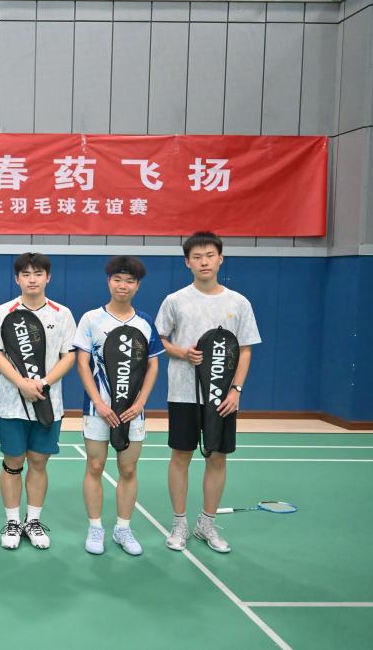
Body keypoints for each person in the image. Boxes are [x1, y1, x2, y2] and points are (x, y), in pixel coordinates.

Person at [155, 232, 260, 554]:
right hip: (184, 393)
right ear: (187, 262)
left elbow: (245, 349)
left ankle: (207, 524)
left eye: (210, 255)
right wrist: (181, 352)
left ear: (220, 259)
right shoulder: (175, 300)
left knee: (217, 457)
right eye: (197, 257)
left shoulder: (238, 302)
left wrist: (236, 390)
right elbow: (160, 340)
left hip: (222, 397)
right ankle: (179, 523)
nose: (204, 262)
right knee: (181, 456)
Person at [0, 252, 76, 550]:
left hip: (48, 403)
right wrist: (21, 383)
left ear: (48, 277)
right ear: (17, 279)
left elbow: (69, 356)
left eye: (38, 274)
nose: (32, 279)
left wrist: (43, 383)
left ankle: (33, 521)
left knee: (38, 462)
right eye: (26, 274)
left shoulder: (62, 314)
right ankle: (12, 522)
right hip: (12, 403)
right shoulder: (3, 311)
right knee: (13, 462)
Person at [73, 256, 162, 556]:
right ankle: (95, 528)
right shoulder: (91, 319)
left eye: (129, 281)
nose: (123, 285)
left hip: (133, 411)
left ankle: (123, 528)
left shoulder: (145, 322)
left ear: (137, 286)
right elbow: (82, 364)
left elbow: (152, 365)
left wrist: (140, 403)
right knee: (95, 466)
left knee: (128, 468)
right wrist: (98, 403)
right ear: (108, 281)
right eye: (118, 279)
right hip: (98, 410)